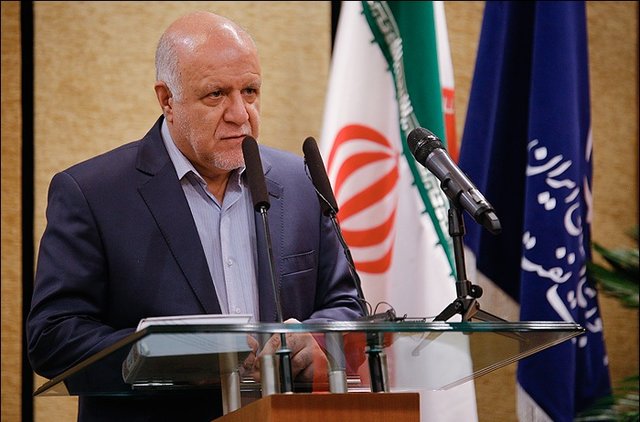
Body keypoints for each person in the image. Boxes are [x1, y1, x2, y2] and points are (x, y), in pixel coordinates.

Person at [27, 11, 364, 421]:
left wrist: (315, 341)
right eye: (216, 94)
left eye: (250, 91)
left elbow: (345, 304)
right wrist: (170, 355)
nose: (240, 113)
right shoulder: (92, 194)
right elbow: (52, 337)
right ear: (167, 100)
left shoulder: (300, 182)